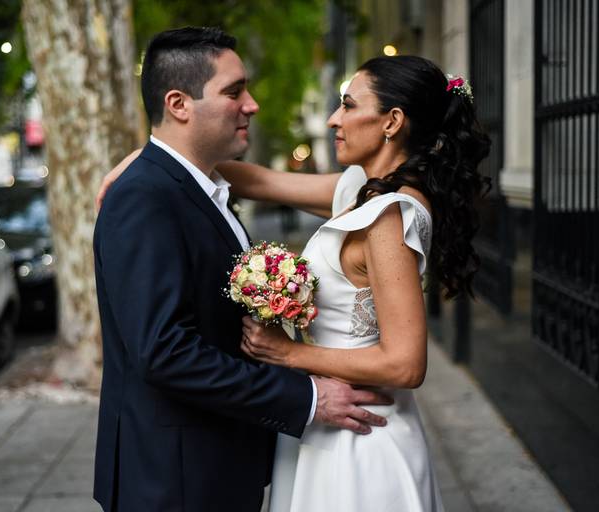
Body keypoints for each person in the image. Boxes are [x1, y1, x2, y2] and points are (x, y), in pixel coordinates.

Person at [99, 54, 490, 511]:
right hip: (325, 417)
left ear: (392, 121)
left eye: (348, 105)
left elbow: (406, 365)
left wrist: (289, 354)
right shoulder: (363, 190)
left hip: (360, 429)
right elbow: (259, 180)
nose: (333, 119)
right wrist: (155, 157)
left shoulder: (388, 217)